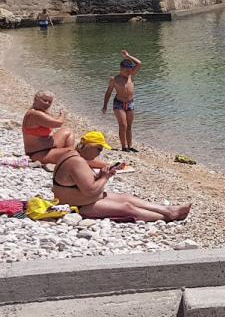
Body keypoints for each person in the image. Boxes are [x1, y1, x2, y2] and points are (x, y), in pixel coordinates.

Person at [48, 131, 189, 222]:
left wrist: (102, 175)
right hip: (77, 205)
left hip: (84, 200)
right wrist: (105, 177)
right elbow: (90, 191)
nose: (98, 153)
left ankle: (168, 210)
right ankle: (165, 217)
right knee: (127, 207)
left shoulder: (73, 155)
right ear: (87, 146)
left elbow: (82, 183)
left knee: (126, 197)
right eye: (98, 149)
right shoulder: (76, 161)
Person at [102, 50, 142, 152]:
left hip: (130, 103)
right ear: (121, 69)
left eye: (129, 70)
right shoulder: (115, 79)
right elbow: (108, 92)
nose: (128, 72)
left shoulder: (131, 76)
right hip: (119, 103)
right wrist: (105, 105)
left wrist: (128, 56)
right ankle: (123, 147)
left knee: (129, 126)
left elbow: (139, 63)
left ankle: (130, 146)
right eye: (126, 70)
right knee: (123, 125)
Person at [22, 91, 74, 162]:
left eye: (49, 102)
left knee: (67, 131)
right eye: (44, 100)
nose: (47, 103)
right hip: (39, 153)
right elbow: (58, 123)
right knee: (75, 152)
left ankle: (67, 156)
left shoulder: (41, 112)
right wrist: (62, 114)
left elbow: (51, 122)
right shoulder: (34, 114)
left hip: (49, 147)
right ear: (36, 99)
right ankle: (68, 156)